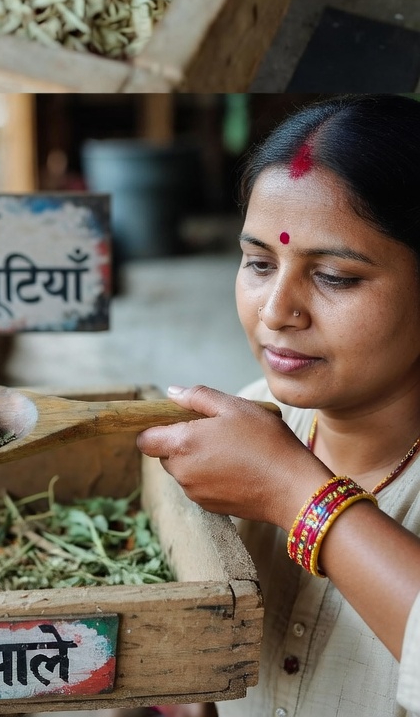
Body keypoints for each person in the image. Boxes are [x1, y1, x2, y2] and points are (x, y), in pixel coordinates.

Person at [136, 95, 420, 717]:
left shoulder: (260, 457)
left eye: (336, 276)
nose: (274, 311)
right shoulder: (250, 422)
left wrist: (296, 495)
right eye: (259, 262)